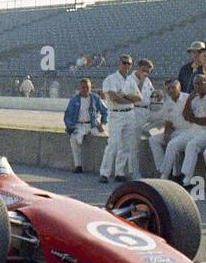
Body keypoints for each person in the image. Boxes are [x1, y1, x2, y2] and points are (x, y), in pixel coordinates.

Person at [169, 73, 206, 185]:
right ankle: (175, 175)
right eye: (195, 84)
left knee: (192, 145)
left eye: (199, 83)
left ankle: (187, 179)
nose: (197, 87)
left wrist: (192, 119)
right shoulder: (195, 98)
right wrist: (189, 99)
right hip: (194, 130)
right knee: (173, 144)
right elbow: (185, 115)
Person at [99, 54, 141, 183]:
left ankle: (119, 172)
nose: (126, 66)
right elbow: (113, 97)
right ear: (118, 64)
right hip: (116, 114)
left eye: (129, 63)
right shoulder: (110, 79)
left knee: (126, 145)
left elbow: (139, 97)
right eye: (124, 63)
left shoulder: (131, 80)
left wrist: (124, 96)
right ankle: (104, 173)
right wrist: (128, 99)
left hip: (129, 114)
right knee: (113, 144)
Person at [64, 77, 107, 173]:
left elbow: (105, 111)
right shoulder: (74, 100)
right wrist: (70, 127)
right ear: (80, 88)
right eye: (83, 87)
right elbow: (68, 115)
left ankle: (104, 167)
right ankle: (78, 165)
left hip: (92, 125)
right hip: (79, 125)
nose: (85, 89)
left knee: (105, 138)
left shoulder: (95, 98)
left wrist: (102, 122)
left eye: (87, 87)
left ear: (90, 88)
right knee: (73, 139)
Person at [148, 79, 186, 175]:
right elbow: (168, 121)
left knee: (173, 146)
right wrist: (166, 133)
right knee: (153, 140)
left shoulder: (187, 99)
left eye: (173, 87)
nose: (171, 90)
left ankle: (168, 174)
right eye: (168, 88)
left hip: (187, 132)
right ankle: (162, 168)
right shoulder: (168, 102)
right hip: (175, 132)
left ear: (179, 88)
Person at [127, 58, 155, 177]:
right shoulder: (130, 80)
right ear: (137, 68)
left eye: (148, 72)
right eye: (143, 70)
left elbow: (151, 93)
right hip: (135, 111)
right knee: (135, 145)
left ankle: (146, 130)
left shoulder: (147, 80)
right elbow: (135, 96)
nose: (145, 73)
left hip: (147, 111)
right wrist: (142, 81)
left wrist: (156, 94)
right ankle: (133, 172)